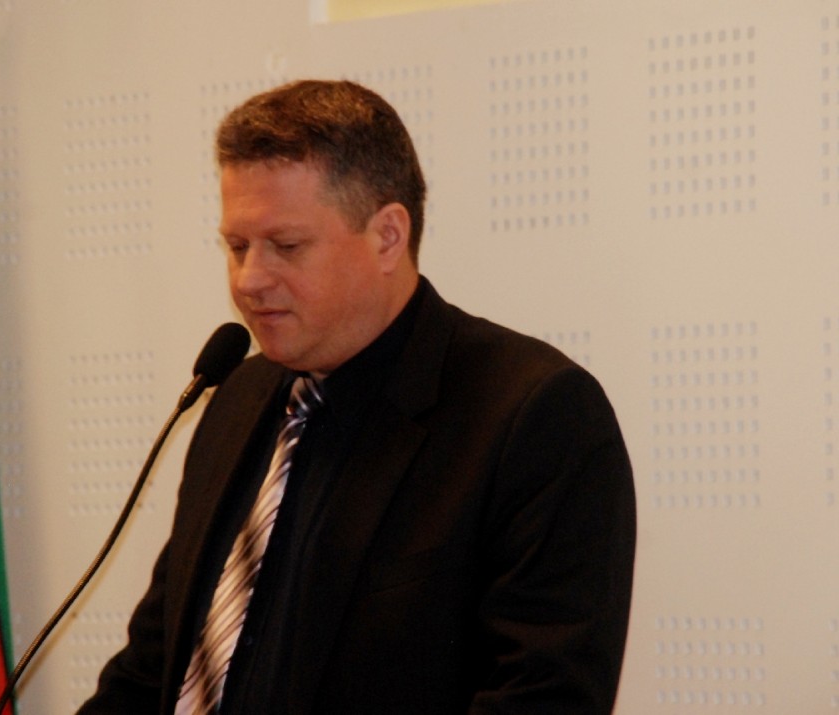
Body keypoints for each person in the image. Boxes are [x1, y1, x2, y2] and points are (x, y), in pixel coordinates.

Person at [77, 79, 636, 714]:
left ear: (387, 236)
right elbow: (152, 669)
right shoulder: (235, 399)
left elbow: (544, 699)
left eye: (286, 246)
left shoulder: (532, 415)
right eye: (236, 247)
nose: (249, 279)